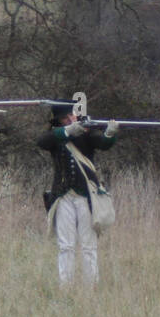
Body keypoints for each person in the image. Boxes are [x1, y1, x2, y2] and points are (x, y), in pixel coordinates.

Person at [37, 104, 118, 286]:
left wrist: (110, 133)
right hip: (63, 195)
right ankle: (65, 286)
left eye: (71, 116)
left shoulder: (86, 133)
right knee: (66, 245)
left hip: (85, 196)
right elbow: (41, 141)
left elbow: (103, 143)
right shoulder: (56, 136)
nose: (70, 119)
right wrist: (68, 131)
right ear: (59, 120)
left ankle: (91, 287)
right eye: (66, 118)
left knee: (89, 245)